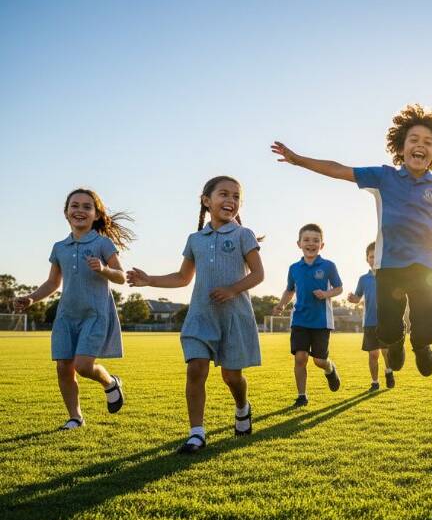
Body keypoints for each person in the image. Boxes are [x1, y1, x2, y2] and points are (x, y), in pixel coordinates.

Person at [271, 103, 432, 377]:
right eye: (413, 139)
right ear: (401, 148)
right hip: (388, 266)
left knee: (425, 329)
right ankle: (396, 341)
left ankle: (422, 345)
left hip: (424, 268)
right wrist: (299, 160)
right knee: (388, 330)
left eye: (428, 142)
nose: (420, 145)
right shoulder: (384, 177)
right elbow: (339, 169)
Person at [127, 176, 263, 453]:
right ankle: (196, 434)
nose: (231, 201)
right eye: (224, 194)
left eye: (236, 197)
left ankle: (242, 408)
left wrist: (233, 289)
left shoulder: (243, 235)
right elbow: (181, 277)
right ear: (206, 201)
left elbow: (259, 274)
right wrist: (149, 280)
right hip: (201, 316)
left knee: (232, 376)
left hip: (234, 316)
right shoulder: (195, 240)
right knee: (196, 369)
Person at [15, 188, 133, 430]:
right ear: (66, 213)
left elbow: (121, 276)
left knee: (83, 366)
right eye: (75, 206)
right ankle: (75, 417)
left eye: (87, 207)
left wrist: (103, 269)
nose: (80, 210)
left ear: (96, 214)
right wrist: (31, 298)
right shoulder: (59, 247)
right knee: (64, 368)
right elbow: (52, 283)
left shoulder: (103, 243)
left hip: (95, 314)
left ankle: (110, 382)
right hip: (66, 316)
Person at [273, 223, 343, 407]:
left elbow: (339, 288)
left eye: (315, 240)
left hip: (321, 321)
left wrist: (326, 294)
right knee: (300, 357)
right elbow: (289, 291)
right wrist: (281, 305)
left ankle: (330, 369)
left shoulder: (328, 266)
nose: (311, 244)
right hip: (300, 320)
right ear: (299, 243)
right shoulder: (294, 268)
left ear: (322, 245)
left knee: (319, 360)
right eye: (306, 240)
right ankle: (301, 396)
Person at [346, 242, 394, 392]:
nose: (374, 259)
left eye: (377, 256)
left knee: (386, 352)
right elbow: (358, 297)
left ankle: (389, 371)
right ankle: (374, 382)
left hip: (386, 322)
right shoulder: (363, 279)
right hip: (369, 322)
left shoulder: (389, 276)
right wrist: (352, 298)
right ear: (367, 259)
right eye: (371, 256)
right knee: (373, 354)